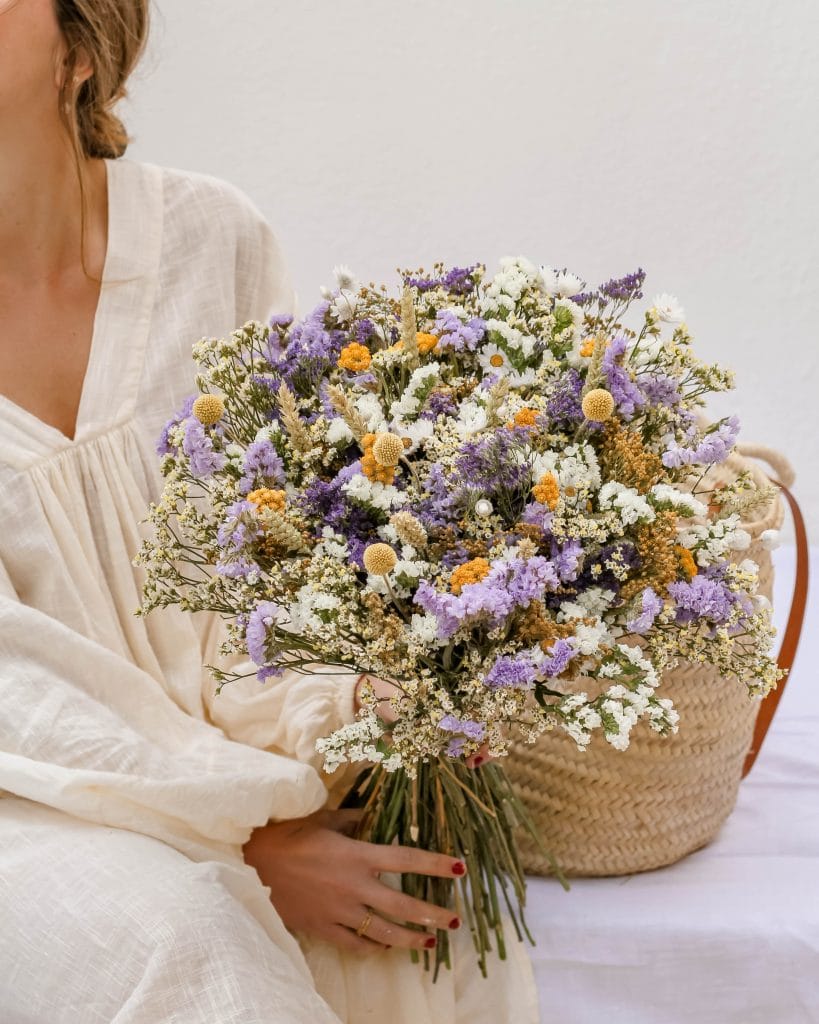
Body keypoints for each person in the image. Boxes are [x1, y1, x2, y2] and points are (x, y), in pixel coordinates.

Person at [0, 2, 539, 1021]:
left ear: (79, 48)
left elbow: (277, 557)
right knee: (187, 933)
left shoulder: (211, 243)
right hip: (33, 797)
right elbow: (17, 686)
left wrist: (358, 714)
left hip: (225, 750)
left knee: (418, 908)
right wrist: (243, 844)